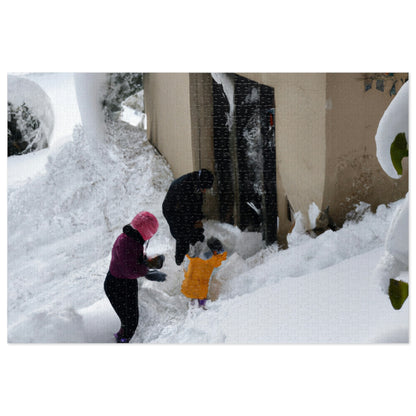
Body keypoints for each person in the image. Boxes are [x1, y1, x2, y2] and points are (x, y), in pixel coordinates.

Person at [104, 211, 166, 343]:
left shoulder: (133, 239)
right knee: (130, 322)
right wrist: (147, 272)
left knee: (132, 319)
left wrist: (150, 262)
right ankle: (120, 341)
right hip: (116, 286)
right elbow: (130, 270)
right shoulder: (126, 243)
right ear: (146, 232)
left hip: (127, 283)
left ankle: (121, 338)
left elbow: (135, 261)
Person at [162, 169, 214, 266]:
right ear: (200, 183)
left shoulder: (197, 182)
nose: (205, 191)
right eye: (204, 188)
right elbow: (185, 211)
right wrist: (193, 223)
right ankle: (180, 263)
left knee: (196, 231)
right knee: (182, 235)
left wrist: (198, 218)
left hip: (184, 208)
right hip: (172, 211)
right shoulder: (184, 185)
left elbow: (197, 203)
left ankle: (199, 255)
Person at [181, 237, 227, 310]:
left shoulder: (195, 254)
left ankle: (195, 307)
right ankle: (199, 307)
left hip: (189, 284)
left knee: (195, 296)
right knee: (198, 296)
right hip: (198, 287)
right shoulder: (209, 260)